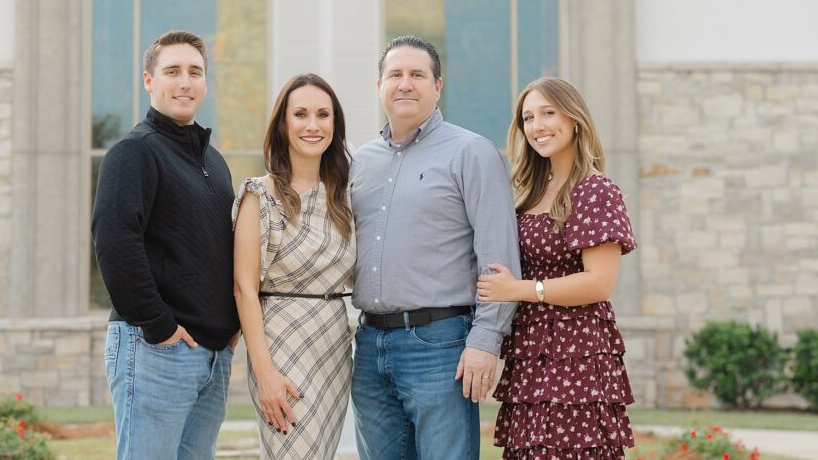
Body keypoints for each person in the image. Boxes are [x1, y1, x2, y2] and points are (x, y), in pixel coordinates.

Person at [350, 35, 522, 460]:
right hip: (369, 346)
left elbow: (498, 257)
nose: (405, 84)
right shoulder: (359, 161)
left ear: (438, 85)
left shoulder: (471, 152)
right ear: (379, 86)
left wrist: (486, 340)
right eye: (395, 75)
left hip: (441, 346)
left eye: (417, 75)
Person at [92, 29, 240, 460]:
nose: (185, 82)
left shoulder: (212, 161)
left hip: (209, 358)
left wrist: (229, 326)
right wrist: (158, 326)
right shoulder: (134, 152)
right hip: (156, 349)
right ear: (149, 80)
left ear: (205, 83)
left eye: (195, 72)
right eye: (172, 71)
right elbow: (115, 243)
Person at [477, 77, 637, 459]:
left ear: (575, 119)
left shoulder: (595, 189)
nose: (538, 126)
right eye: (528, 118)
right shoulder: (530, 190)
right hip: (530, 351)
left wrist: (521, 289)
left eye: (548, 113)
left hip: (576, 353)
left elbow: (600, 283)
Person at [232, 73, 355, 460]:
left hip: (334, 345)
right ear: (283, 125)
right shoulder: (260, 195)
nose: (313, 125)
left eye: (323, 114)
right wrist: (264, 372)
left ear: (335, 125)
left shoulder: (345, 196)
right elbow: (243, 288)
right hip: (282, 343)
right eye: (300, 114)